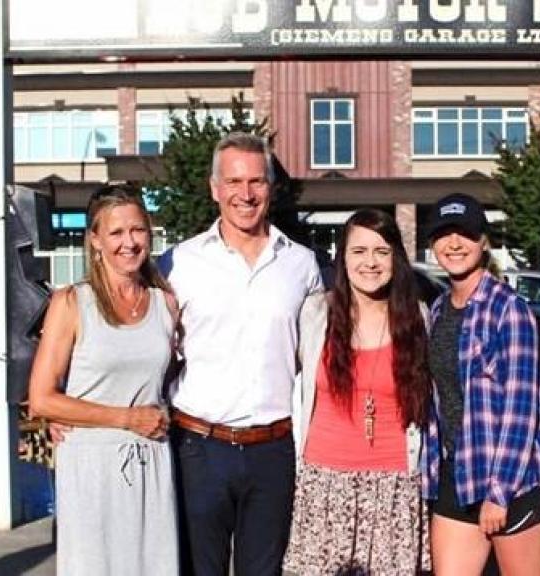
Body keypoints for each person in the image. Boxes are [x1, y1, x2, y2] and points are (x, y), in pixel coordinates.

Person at [165, 132, 324, 575]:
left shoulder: (301, 265)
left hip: (273, 451)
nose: (245, 194)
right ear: (215, 188)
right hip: (199, 449)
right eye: (234, 182)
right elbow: (147, 353)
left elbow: (313, 359)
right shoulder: (178, 264)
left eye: (256, 181)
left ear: (270, 188)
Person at [28, 186, 180, 575]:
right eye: (116, 233)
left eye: (138, 230)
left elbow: (169, 380)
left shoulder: (165, 303)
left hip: (153, 462)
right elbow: (42, 399)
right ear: (95, 239)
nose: (129, 242)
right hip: (92, 467)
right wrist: (126, 418)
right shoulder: (71, 303)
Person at [284, 209, 431, 574]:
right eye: (359, 251)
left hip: (393, 488)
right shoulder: (316, 313)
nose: (370, 262)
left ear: (396, 258)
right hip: (323, 484)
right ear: (343, 259)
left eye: (381, 252)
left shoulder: (419, 318)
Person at [422, 193, 540, 576]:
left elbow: (521, 410)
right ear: (432, 245)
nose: (454, 243)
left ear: (483, 241)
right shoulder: (438, 309)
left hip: (510, 483)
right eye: (444, 235)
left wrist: (499, 493)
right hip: (455, 474)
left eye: (465, 233)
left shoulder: (509, 309)